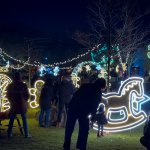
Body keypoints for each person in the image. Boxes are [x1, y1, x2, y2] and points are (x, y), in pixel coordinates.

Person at [63, 78, 106, 150]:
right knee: (84, 130)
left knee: (69, 128)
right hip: (83, 111)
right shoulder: (97, 92)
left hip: (73, 108)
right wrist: (92, 119)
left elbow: (75, 95)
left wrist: (71, 105)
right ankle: (81, 146)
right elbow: (94, 106)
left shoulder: (85, 85)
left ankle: (66, 146)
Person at [7, 72, 31, 138]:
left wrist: (11, 101)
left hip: (14, 105)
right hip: (22, 105)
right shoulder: (23, 85)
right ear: (21, 77)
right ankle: (26, 134)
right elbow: (27, 95)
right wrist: (24, 101)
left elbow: (8, 95)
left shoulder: (10, 86)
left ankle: (9, 133)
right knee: (24, 119)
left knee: (11, 119)